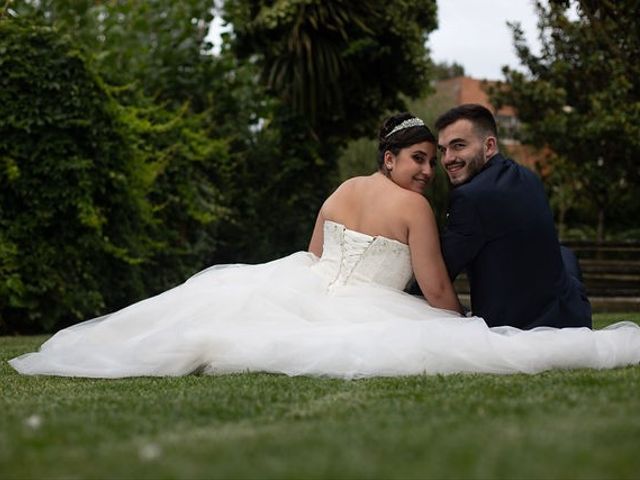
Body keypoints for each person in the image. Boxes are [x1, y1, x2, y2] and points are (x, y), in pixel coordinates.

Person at [9, 113, 639, 379]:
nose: (426, 171)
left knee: (215, 315)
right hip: (367, 305)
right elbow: (438, 286)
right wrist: (457, 321)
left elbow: (312, 257)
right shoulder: (417, 207)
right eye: (418, 158)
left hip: (304, 286)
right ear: (390, 158)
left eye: (431, 160)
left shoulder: (342, 188)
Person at [436, 104, 592, 330]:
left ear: (489, 146)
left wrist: (395, 298)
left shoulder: (470, 197)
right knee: (563, 253)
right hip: (571, 313)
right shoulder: (528, 177)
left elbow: (441, 272)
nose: (448, 159)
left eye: (458, 146)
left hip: (518, 326)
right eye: (443, 150)